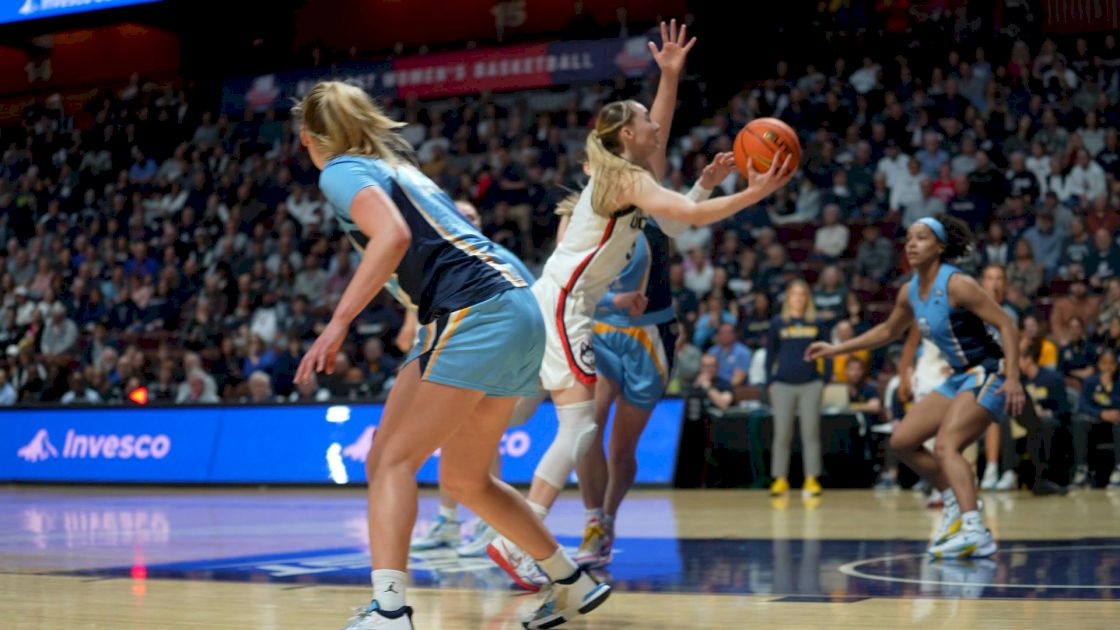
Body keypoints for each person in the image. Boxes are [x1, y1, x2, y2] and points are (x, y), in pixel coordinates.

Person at [487, 19, 792, 591]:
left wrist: (669, 77)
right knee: (577, 427)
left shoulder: (622, 172)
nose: (656, 126)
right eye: (645, 121)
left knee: (553, 422)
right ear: (628, 136)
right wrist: (753, 193)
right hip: (566, 307)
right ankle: (515, 532)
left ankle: (511, 523)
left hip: (553, 302)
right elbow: (693, 218)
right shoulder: (626, 180)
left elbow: (674, 201)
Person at [292, 80, 606, 629]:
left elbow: (390, 237)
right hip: (512, 306)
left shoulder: (340, 170)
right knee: (465, 480)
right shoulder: (399, 169)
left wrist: (336, 324)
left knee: (390, 462)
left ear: (307, 138)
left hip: (476, 312)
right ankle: (572, 583)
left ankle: (389, 611)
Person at [807, 214, 1024, 559]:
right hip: (959, 377)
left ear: (939, 247)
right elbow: (887, 332)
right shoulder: (909, 291)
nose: (911, 244)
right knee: (902, 440)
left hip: (989, 372)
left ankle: (976, 531)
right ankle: (955, 499)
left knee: (946, 445)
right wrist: (836, 348)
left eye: (921, 238)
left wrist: (1013, 378)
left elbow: (1007, 324)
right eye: (908, 238)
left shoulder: (958, 284)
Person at [570, 155, 735, 569]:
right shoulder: (590, 216)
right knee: (587, 424)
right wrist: (613, 300)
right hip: (603, 329)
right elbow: (571, 278)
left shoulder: (656, 210)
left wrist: (706, 182)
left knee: (623, 449)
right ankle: (591, 519)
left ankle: (607, 520)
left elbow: (688, 217)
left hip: (652, 338)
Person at [408, 199, 542, 559]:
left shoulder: (497, 259)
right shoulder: (446, 266)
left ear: (480, 224)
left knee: (478, 429)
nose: (464, 221)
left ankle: (486, 522)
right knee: (453, 433)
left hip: (512, 360)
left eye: (471, 216)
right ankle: (448, 520)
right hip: (471, 360)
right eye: (459, 215)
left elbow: (534, 308)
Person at [766, 279, 828, 498]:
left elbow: (827, 353)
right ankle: (780, 479)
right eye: (795, 294)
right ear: (788, 298)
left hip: (811, 383)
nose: (798, 298)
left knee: (810, 432)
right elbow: (770, 355)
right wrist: (769, 381)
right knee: (782, 434)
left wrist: (824, 379)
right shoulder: (777, 323)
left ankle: (811, 478)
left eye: (803, 294)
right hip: (783, 384)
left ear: (807, 298)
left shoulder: (817, 323)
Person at [1072, 349, 1120, 489]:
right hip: (1096, 422)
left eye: (1111, 364)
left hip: (1116, 422)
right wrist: (1100, 414)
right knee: (1079, 421)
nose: (1108, 367)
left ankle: (1118, 469)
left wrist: (1108, 388)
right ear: (1099, 365)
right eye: (1104, 363)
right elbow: (1083, 405)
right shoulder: (1090, 381)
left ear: (1116, 365)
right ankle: (1082, 469)